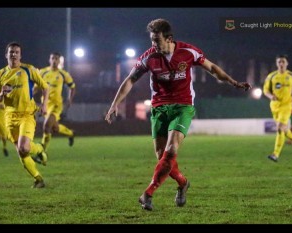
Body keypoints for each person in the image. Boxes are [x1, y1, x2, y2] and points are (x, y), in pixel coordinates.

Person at [105, 18, 252, 211]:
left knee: (171, 150)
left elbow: (213, 68)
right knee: (162, 157)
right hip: (159, 109)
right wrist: (115, 104)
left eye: (157, 40)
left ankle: (147, 194)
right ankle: (183, 183)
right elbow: (130, 80)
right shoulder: (148, 57)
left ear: (169, 39)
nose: (153, 44)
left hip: (183, 106)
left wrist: (233, 82)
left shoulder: (188, 52)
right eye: (151, 40)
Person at [0, 41, 49, 188]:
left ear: (20, 55)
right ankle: (38, 179)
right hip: (10, 117)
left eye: (17, 52)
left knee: (24, 147)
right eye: (11, 52)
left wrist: (44, 105)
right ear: (6, 55)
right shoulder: (0, 74)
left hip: (27, 114)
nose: (14, 54)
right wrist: (1, 93)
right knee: (21, 152)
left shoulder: (28, 69)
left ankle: (39, 149)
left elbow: (45, 87)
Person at [263, 54, 292, 162]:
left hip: (286, 105)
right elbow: (265, 90)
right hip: (275, 106)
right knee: (284, 130)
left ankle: (275, 154)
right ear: (276, 63)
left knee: (280, 128)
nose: (281, 64)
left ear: (287, 63)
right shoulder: (271, 76)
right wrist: (271, 96)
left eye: (283, 61)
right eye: (279, 62)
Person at [35, 52, 76, 150]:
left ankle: (42, 151)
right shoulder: (43, 72)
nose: (54, 60)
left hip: (56, 104)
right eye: (52, 58)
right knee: (55, 128)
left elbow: (73, 87)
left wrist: (70, 99)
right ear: (49, 60)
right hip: (45, 105)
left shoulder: (63, 74)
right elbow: (36, 87)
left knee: (46, 125)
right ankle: (70, 133)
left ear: (59, 61)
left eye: (56, 59)